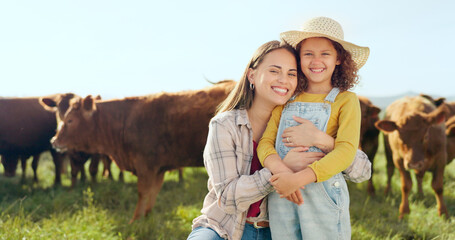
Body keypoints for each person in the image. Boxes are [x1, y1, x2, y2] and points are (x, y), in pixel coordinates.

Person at [187, 40, 340, 240]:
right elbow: (227, 198)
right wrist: (280, 169)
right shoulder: (225, 125)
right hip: (224, 227)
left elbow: (361, 170)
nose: (283, 80)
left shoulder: (302, 123)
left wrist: (322, 139)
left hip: (280, 232)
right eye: (274, 71)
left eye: (291, 74)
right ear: (252, 75)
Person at [257, 16, 370, 239]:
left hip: (324, 196)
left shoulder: (346, 100)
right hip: (282, 194)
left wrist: (298, 179)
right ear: (298, 58)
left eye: (325, 54)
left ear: (339, 59)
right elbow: (265, 144)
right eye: (308, 54)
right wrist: (283, 173)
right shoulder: (286, 99)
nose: (316, 61)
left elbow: (346, 151)